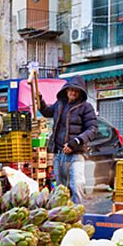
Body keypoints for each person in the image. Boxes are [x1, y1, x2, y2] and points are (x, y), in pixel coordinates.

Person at [37, 75, 99, 204]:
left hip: (76, 154)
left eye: (76, 91)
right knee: (61, 189)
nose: (73, 92)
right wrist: (40, 101)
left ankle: (78, 216)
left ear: (80, 92)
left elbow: (92, 129)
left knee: (77, 184)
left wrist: (76, 141)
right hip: (59, 153)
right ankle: (64, 217)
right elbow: (47, 112)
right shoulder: (60, 105)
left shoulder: (86, 107)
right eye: (71, 89)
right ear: (66, 90)